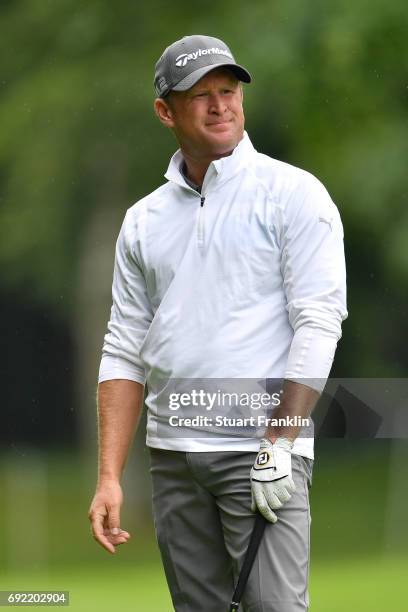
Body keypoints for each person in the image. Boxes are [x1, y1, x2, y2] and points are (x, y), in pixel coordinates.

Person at [88, 34, 348, 612]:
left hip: (259, 449)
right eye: (200, 95)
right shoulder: (142, 221)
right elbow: (124, 348)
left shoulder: (293, 195)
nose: (219, 106)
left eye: (227, 92)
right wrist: (109, 476)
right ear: (165, 112)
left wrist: (281, 442)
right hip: (173, 455)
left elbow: (318, 322)